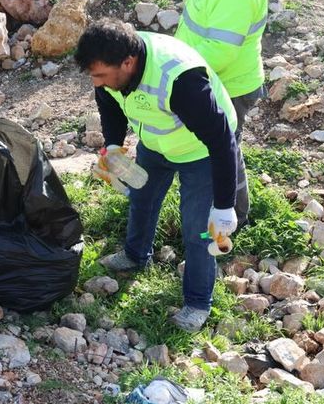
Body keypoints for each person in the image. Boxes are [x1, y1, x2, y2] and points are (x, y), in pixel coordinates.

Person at [75, 19, 239, 333]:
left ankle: (197, 302)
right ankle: (136, 256)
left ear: (128, 62)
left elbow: (221, 142)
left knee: (197, 230)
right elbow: (110, 104)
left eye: (100, 75)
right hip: (156, 143)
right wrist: (113, 147)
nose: (96, 83)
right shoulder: (114, 71)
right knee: (142, 198)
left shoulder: (180, 79)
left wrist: (224, 205)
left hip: (200, 153)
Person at [175, 0, 268, 231]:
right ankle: (230, 211)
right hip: (218, 80)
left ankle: (234, 218)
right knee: (225, 149)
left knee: (223, 153)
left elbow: (222, 51)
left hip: (230, 84)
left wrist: (176, 72)